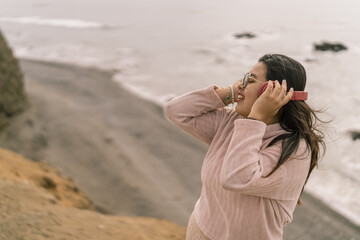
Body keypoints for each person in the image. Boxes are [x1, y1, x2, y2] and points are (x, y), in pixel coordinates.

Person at [164, 54, 325, 240]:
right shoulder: (231, 121)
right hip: (199, 229)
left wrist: (256, 118)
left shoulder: (295, 150)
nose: (241, 83)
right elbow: (176, 111)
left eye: (250, 80)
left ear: (269, 92)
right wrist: (230, 93)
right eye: (244, 77)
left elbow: (236, 178)